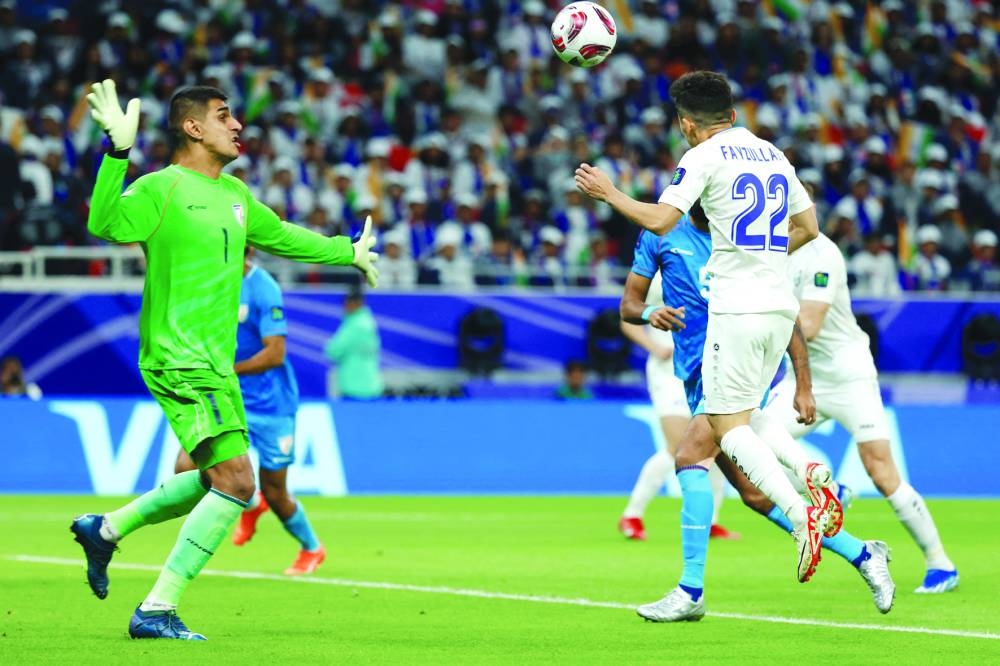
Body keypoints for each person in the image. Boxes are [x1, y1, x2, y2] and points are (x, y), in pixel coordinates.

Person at [70, 81, 379, 641]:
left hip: (214, 365)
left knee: (204, 480)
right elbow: (105, 223)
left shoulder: (234, 193)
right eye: (223, 115)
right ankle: (157, 609)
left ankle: (106, 529)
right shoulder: (161, 187)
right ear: (193, 127)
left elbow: (282, 235)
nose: (237, 125)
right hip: (180, 357)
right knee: (238, 483)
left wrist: (347, 251)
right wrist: (117, 154)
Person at [576, 70, 836, 585]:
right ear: (733, 115)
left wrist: (610, 193)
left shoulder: (702, 156)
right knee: (732, 427)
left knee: (726, 428)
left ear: (686, 124)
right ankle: (807, 478)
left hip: (736, 311)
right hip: (778, 308)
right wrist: (762, 255)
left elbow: (660, 220)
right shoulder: (772, 154)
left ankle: (801, 507)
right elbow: (809, 228)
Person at [621, 202, 893, 621]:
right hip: (694, 375)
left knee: (689, 457)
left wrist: (804, 383)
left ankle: (690, 590)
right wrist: (649, 313)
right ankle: (862, 553)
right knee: (753, 496)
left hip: (736, 369)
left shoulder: (743, 244)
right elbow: (628, 306)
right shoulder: (661, 236)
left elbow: (786, 314)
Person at [764, 230, 959, 594]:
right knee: (753, 445)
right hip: (800, 376)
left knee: (881, 471)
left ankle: (940, 563)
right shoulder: (769, 250)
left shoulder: (822, 254)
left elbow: (810, 326)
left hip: (848, 377)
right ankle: (832, 490)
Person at [174, 247, 325, 577]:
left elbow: (275, 354)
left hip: (271, 405)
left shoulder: (263, 288)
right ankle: (252, 502)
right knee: (186, 467)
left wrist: (230, 370)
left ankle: (311, 547)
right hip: (226, 399)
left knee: (276, 491)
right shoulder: (209, 283)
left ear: (247, 249)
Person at [618, 271, 738, 542]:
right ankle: (632, 514)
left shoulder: (712, 268)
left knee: (716, 446)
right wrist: (653, 346)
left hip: (705, 370)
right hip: (668, 371)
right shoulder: (655, 275)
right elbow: (627, 319)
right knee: (676, 448)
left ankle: (710, 521)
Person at [325, 288, 383, 399]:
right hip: (370, 384)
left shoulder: (355, 325)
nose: (344, 307)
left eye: (346, 303)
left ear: (356, 304)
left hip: (356, 386)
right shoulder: (368, 322)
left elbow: (333, 351)